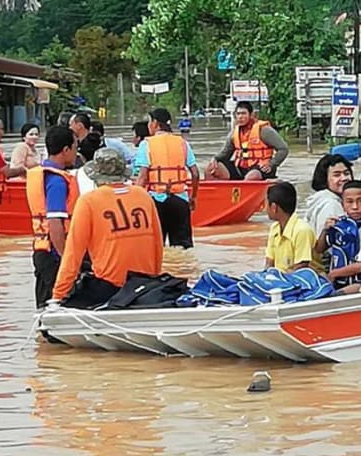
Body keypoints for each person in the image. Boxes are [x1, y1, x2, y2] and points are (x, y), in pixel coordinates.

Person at [52, 148, 164, 308]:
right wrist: (154, 281)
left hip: (109, 288)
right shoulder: (143, 196)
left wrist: (58, 295)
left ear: (96, 176)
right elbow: (157, 245)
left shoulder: (88, 201)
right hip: (145, 286)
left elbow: (73, 254)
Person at [26, 125, 79, 310]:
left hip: (42, 249)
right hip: (53, 253)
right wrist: (67, 259)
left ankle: (43, 338)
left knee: (44, 307)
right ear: (65, 150)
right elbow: (55, 223)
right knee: (55, 306)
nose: (76, 152)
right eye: (75, 147)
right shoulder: (56, 182)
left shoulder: (43, 173)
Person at [134, 108, 201, 248]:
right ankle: (184, 270)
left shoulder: (146, 144)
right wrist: (193, 197)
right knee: (183, 248)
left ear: (155, 123)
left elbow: (142, 177)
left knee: (156, 247)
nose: (148, 125)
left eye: (149, 122)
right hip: (180, 201)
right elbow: (195, 173)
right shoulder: (182, 143)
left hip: (156, 201)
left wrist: (134, 202)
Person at [315, 180, 361, 291]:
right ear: (342, 204)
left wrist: (333, 274)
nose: (355, 207)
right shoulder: (340, 224)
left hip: (360, 283)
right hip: (338, 280)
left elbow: (360, 266)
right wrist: (325, 230)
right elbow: (319, 249)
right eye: (349, 202)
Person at [206, 101, 290, 181]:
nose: (240, 117)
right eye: (238, 114)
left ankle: (247, 192)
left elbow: (283, 149)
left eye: (243, 113)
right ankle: (215, 194)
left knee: (252, 176)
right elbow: (225, 154)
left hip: (261, 168)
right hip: (240, 168)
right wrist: (215, 159)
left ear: (251, 115)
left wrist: (272, 164)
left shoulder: (264, 130)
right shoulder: (234, 133)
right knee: (211, 168)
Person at [264, 181, 316, 274]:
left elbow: (301, 266)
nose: (264, 208)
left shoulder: (302, 230)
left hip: (301, 281)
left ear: (274, 207)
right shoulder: (274, 228)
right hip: (281, 279)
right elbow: (269, 262)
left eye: (266, 204)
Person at [303, 154, 353, 237]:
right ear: (324, 179)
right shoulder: (331, 205)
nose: (344, 178)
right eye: (337, 175)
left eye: (346, 173)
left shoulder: (320, 199)